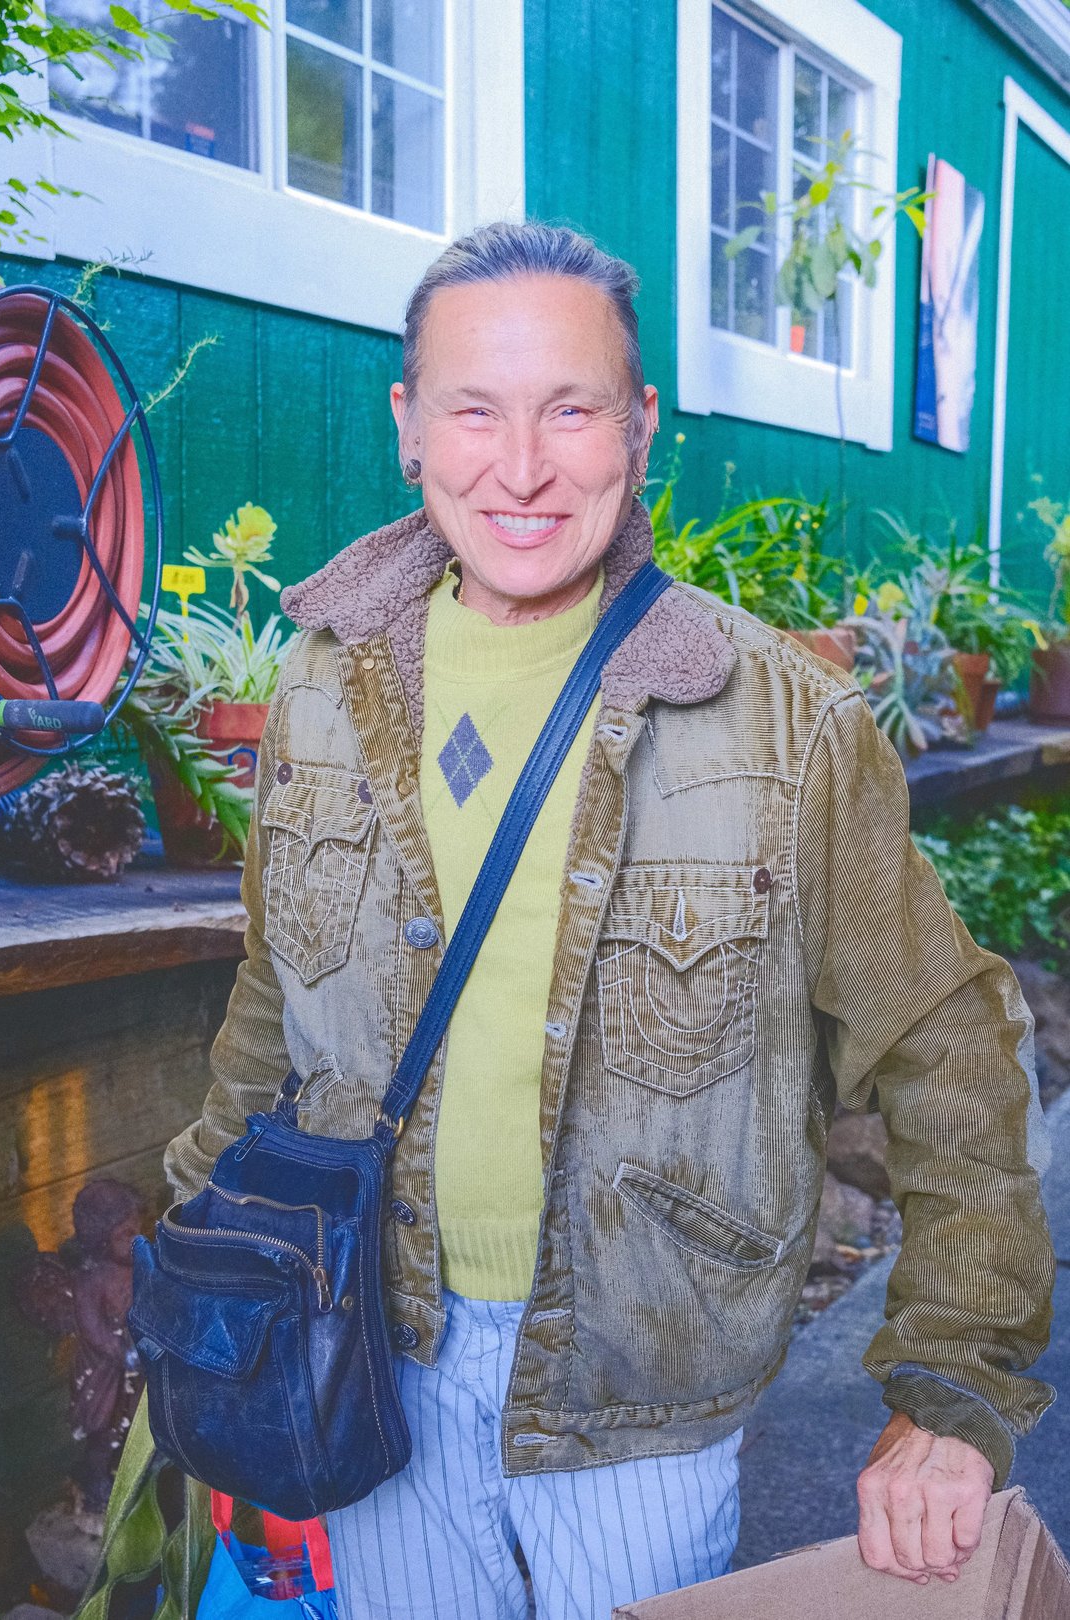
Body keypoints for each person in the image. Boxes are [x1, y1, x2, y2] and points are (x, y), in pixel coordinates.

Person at [165, 221, 1055, 1619]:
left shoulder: (784, 726)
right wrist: (208, 1299)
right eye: (476, 409)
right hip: (367, 1365)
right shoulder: (322, 694)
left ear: (639, 426)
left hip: (642, 1399)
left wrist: (952, 1384)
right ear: (409, 426)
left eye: (569, 410)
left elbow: (948, 1042)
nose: (520, 470)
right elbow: (273, 1016)